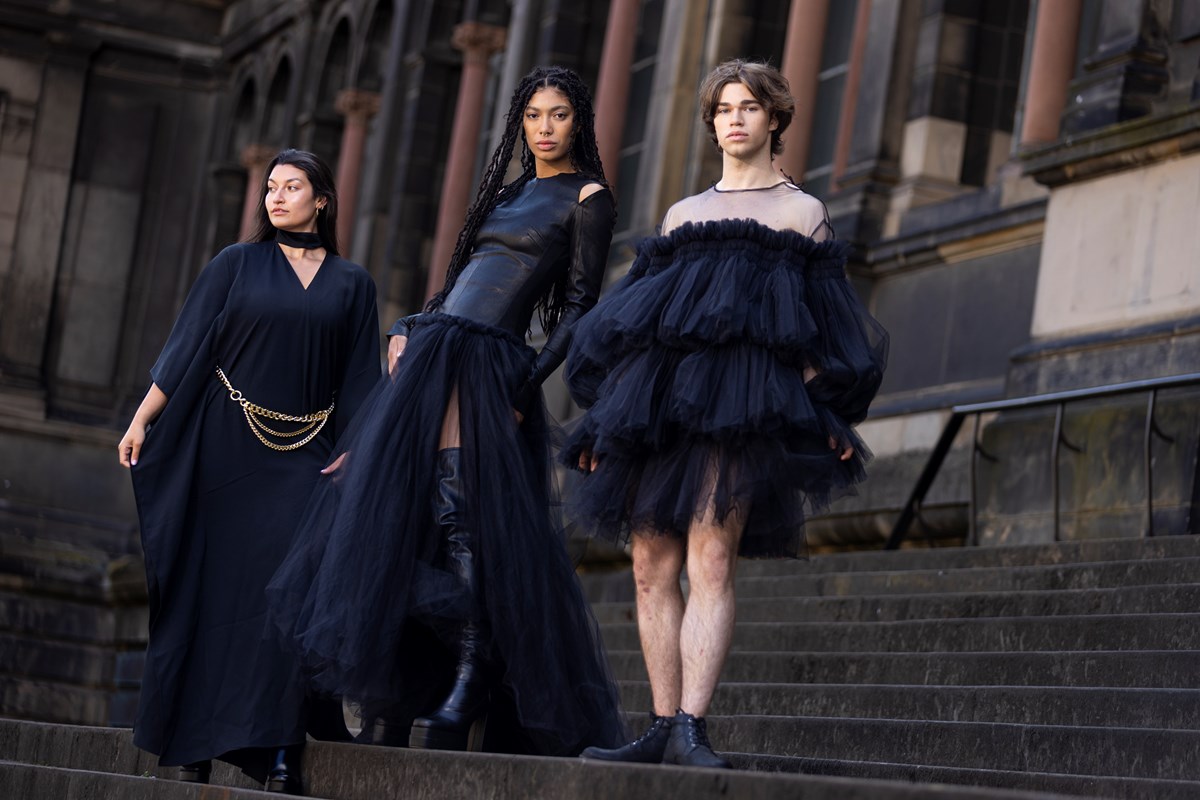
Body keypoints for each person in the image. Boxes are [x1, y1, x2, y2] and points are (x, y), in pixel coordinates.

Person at [266, 66, 625, 757]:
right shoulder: (510, 192)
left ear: (578, 121)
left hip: (491, 364)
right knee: (389, 511)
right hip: (436, 350)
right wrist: (410, 323)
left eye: (557, 116)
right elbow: (461, 278)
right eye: (532, 116)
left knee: (459, 515)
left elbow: (581, 309)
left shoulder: (588, 198)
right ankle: (392, 688)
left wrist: (525, 388)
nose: (544, 129)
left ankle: (471, 672)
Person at [562, 59, 888, 768]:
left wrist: (821, 415)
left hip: (740, 411)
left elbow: (828, 331)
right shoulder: (683, 216)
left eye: (747, 107)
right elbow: (640, 328)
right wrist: (601, 422)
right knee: (650, 562)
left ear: (775, 119)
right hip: (663, 411)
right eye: (721, 109)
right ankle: (656, 724)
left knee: (711, 557)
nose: (732, 119)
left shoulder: (803, 215)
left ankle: (691, 726)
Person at [118, 149, 381, 794]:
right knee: (212, 595)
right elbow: (186, 347)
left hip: (308, 453)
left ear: (322, 199)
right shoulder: (235, 264)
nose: (277, 197)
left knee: (288, 598)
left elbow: (359, 378)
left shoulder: (353, 283)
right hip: (223, 448)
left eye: (292, 187)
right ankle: (191, 744)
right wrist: (142, 418)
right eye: (270, 187)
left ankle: (280, 747)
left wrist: (356, 446)